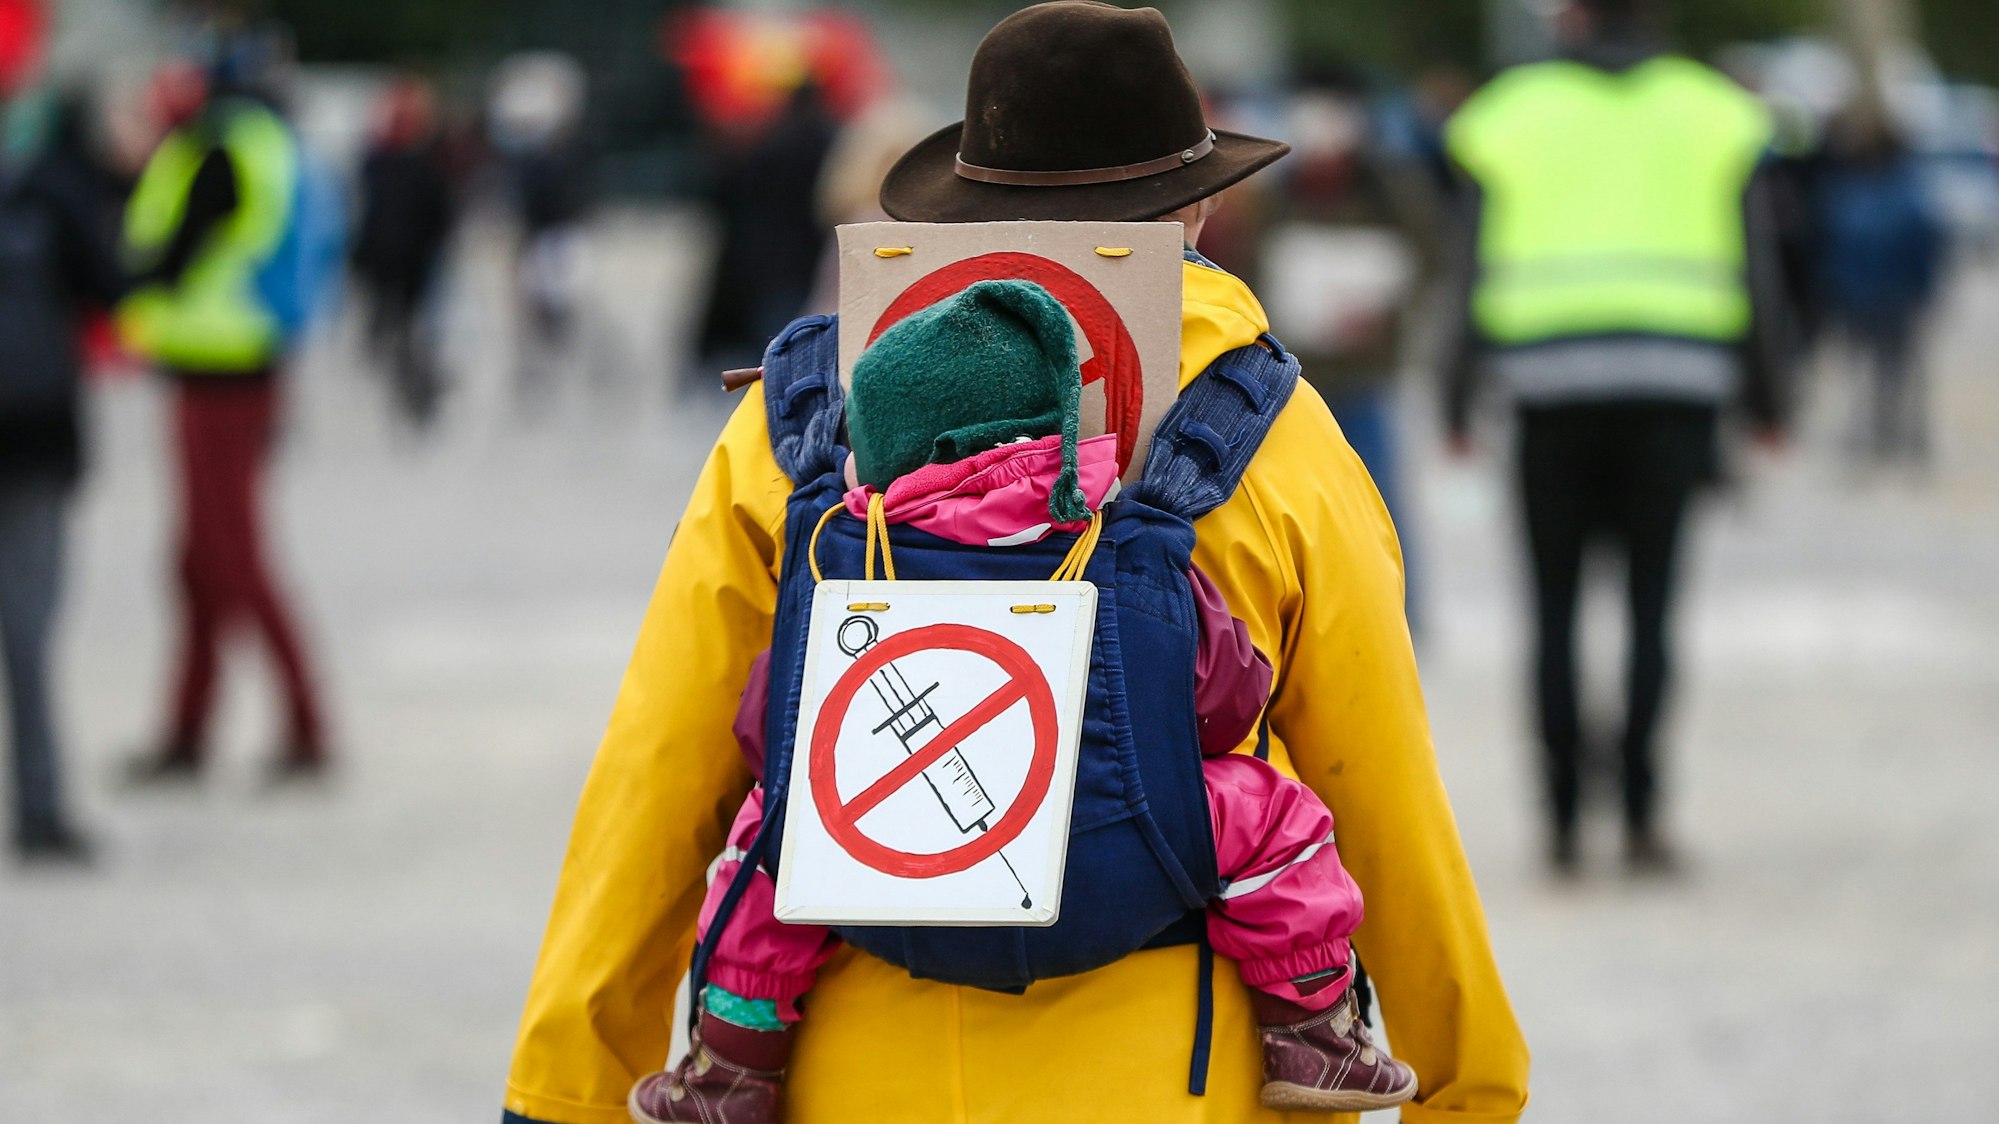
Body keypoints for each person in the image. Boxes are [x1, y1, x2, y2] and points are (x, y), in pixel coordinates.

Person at [503, 6, 1528, 1123]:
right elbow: (1376, 785)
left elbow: (661, 770)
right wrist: (1467, 1089)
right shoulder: (1272, 430)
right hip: (1173, 1073)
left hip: (859, 1068)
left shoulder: (801, 419)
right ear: (1194, 208)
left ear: (968, 202)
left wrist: (563, 1090)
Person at [629, 279, 1417, 1121]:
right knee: (1271, 814)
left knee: (766, 842)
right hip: (1122, 872)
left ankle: (736, 1063)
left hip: (881, 883)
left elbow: (765, 729)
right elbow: (1224, 700)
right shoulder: (1123, 540)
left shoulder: (840, 555)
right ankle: (1311, 1029)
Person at [1440, 0, 1789, 874]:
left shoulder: (1507, 113)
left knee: (1552, 607)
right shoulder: (1717, 112)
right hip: (1675, 393)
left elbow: (1465, 265)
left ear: (1573, 18)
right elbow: (1758, 266)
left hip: (1546, 395)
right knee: (1651, 606)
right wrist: (1768, 398)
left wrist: (1454, 397)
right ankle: (1639, 813)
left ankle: (1561, 819)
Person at [118, 60, 327, 783]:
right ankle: (189, 727)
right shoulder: (254, 143)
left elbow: (170, 260)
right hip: (231, 367)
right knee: (201, 564)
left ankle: (305, 727)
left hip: (221, 374)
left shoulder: (219, 152)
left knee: (232, 559)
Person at [1, 73, 128, 862]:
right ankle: (39, 806)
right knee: (29, 632)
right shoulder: (52, 188)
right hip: (37, 435)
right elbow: (112, 289)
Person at [1810, 114, 1944, 464]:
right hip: (1877, 295)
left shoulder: (1855, 192)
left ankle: (1889, 434)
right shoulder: (1900, 192)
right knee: (1883, 370)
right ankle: (1884, 434)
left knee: (1886, 369)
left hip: (1880, 295)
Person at [352, 76, 456, 430]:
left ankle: (416, 391)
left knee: (412, 332)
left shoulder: (423, 161)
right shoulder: (381, 161)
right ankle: (410, 387)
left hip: (411, 263)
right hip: (392, 263)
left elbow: (439, 217)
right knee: (397, 332)